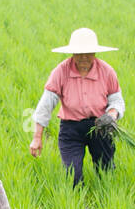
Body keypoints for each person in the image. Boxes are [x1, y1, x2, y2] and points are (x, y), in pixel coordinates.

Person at [30, 27, 126, 186]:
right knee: (72, 175)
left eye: (88, 53)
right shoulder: (60, 72)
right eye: (79, 53)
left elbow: (117, 101)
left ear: (95, 53)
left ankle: (105, 201)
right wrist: (37, 137)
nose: (83, 57)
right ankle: (77, 208)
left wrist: (111, 115)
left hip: (100, 125)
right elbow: (46, 105)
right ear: (72, 53)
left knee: (106, 172)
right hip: (71, 128)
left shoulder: (107, 71)